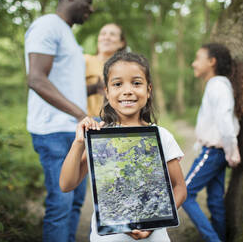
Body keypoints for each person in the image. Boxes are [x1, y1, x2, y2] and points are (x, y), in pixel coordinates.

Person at [59, 51, 187, 242]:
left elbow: (180, 188)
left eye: (136, 83)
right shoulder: (98, 138)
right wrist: (79, 143)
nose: (128, 90)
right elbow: (66, 184)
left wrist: (155, 222)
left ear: (149, 89)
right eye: (118, 84)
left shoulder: (161, 136)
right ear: (106, 91)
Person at [24, 0, 93, 241]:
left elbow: (65, 88)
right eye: (88, 0)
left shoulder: (66, 34)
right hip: (52, 131)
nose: (91, 8)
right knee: (60, 205)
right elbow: (36, 79)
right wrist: (81, 115)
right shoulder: (47, 25)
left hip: (71, 129)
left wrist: (98, 88)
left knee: (75, 203)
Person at [182, 43, 243, 242]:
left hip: (214, 152)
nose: (193, 63)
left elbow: (225, 123)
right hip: (217, 152)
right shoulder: (217, 85)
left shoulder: (219, 86)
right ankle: (220, 236)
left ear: (211, 62)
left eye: (198, 58)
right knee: (214, 201)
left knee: (185, 194)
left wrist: (232, 152)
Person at [85, 23, 127, 118]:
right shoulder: (85, 60)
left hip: (119, 121)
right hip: (89, 121)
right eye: (103, 34)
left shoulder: (127, 68)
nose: (106, 37)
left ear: (121, 43)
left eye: (112, 34)